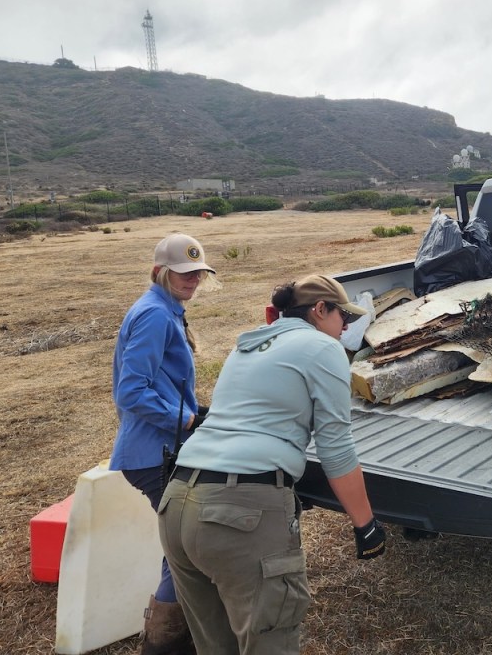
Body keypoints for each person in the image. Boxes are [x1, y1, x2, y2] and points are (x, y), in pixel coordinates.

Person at [158, 274, 386, 655]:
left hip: (177, 505)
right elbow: (336, 447)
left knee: (217, 647)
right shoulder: (322, 347)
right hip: (238, 515)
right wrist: (366, 525)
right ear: (319, 310)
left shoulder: (247, 346)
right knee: (269, 644)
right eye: (342, 315)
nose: (346, 326)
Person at [110, 232, 217, 655]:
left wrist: (193, 409)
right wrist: (189, 418)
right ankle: (165, 645)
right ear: (161, 272)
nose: (192, 280)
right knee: (187, 550)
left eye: (198, 274)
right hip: (154, 453)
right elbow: (131, 390)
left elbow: (159, 381)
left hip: (161, 446)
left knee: (181, 545)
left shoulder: (165, 308)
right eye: (184, 273)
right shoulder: (155, 314)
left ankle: (176, 637)